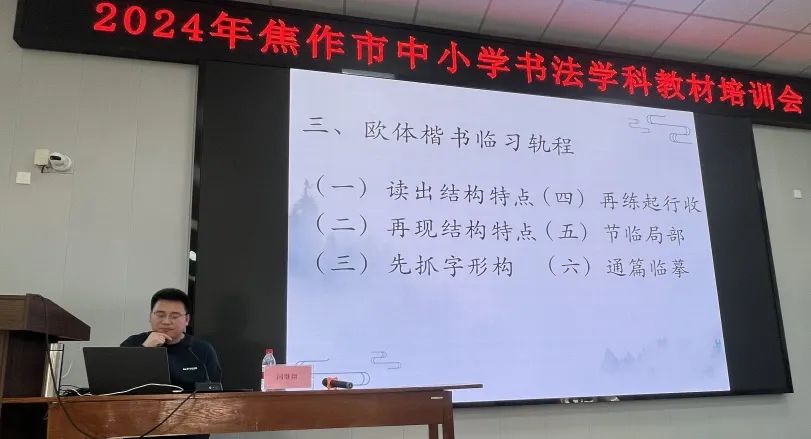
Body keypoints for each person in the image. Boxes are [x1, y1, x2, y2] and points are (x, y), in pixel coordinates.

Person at [121, 288, 221, 439]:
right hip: (141, 427)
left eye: (174, 316)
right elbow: (118, 386)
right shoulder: (133, 344)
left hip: (189, 428)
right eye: (160, 315)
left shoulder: (202, 349)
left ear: (187, 320)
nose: (166, 321)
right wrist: (146, 349)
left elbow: (216, 393)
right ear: (150, 316)